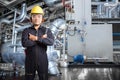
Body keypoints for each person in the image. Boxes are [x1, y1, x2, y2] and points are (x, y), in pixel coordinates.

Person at [21, 5, 54, 80]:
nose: (36, 18)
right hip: (30, 60)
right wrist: (41, 39)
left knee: (43, 78)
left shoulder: (46, 31)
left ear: (42, 19)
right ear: (31, 19)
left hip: (42, 60)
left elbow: (51, 42)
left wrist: (35, 38)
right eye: (34, 16)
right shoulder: (26, 31)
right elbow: (25, 43)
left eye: (39, 16)